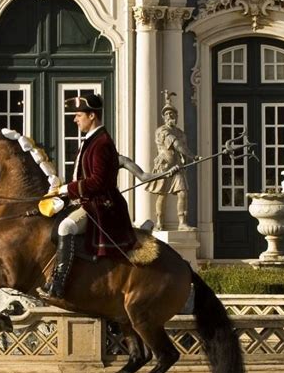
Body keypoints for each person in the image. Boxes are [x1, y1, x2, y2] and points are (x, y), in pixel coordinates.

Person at [37, 94, 136, 301]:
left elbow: (98, 182)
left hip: (101, 205)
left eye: (79, 115)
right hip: (88, 200)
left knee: (66, 227)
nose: (75, 119)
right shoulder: (92, 140)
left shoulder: (101, 143)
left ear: (92, 116)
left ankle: (58, 285)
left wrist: (68, 189)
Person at [145, 91, 196, 231]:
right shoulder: (162, 131)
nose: (170, 116)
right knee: (162, 194)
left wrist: (187, 159)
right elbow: (177, 146)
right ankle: (160, 223)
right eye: (167, 114)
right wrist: (194, 156)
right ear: (164, 117)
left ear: (176, 116)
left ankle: (182, 223)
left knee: (183, 193)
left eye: (172, 114)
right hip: (164, 166)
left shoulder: (180, 132)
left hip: (177, 166)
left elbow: (183, 147)